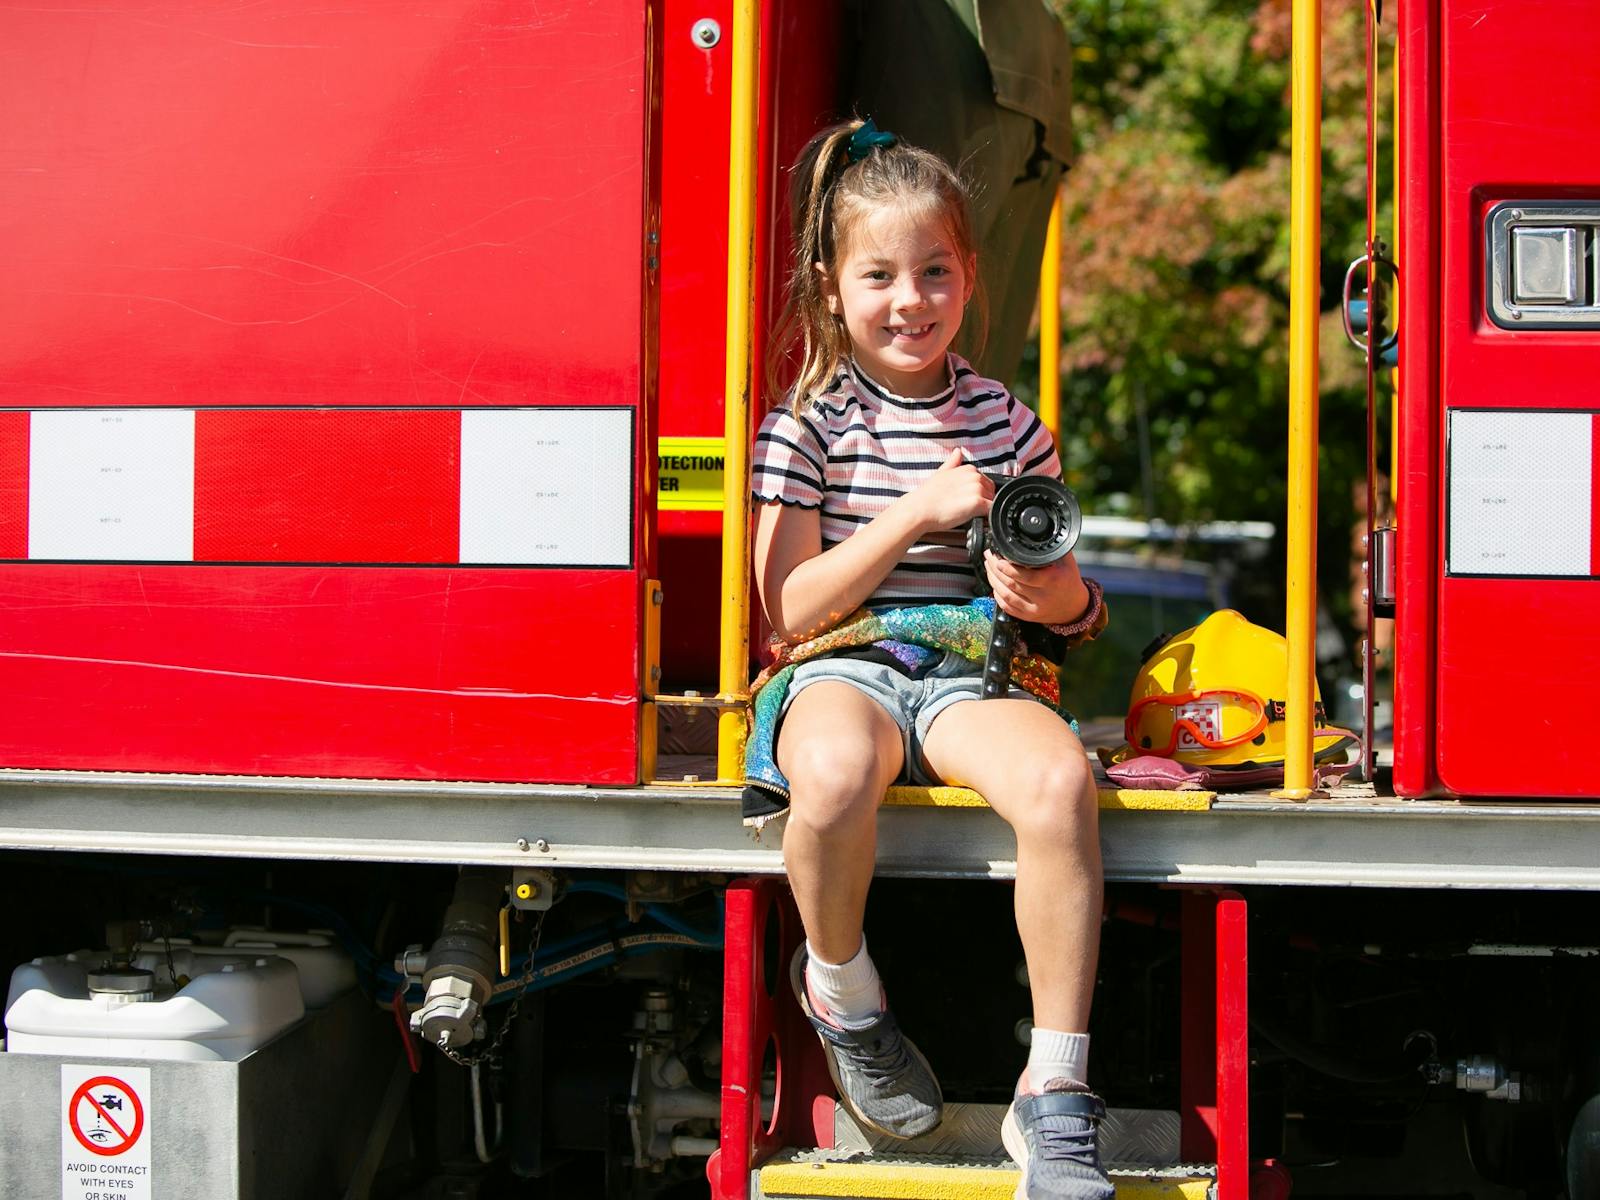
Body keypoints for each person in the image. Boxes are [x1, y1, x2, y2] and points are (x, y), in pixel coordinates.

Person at [748, 119, 1112, 1200]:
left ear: (967, 274)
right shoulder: (808, 424)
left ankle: (1052, 1092)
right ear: (830, 287)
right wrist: (914, 513)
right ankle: (845, 993)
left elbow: (1075, 612)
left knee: (1057, 784)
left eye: (934, 271)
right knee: (833, 774)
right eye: (879, 275)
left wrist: (1055, 595)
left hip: (969, 672)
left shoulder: (1006, 424)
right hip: (843, 667)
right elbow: (790, 610)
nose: (910, 300)